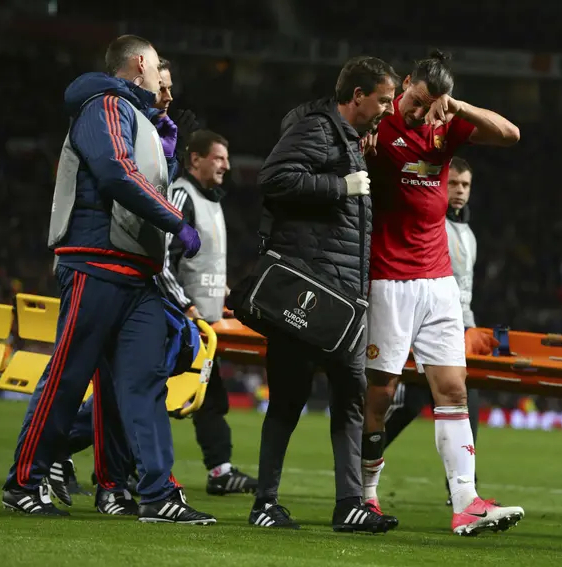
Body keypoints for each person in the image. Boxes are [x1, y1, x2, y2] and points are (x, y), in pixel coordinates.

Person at [1, 34, 214, 525]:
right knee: (68, 376)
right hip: (95, 260)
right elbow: (116, 172)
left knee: (144, 384)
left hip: (137, 272)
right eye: (157, 67)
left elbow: (138, 176)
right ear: (139, 63)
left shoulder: (137, 116)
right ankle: (24, 483)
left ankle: (157, 493)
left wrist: (166, 155)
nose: (162, 79)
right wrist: (175, 221)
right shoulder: (103, 105)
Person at [359, 51, 524, 536]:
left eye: (428, 103)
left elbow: (511, 135)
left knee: (453, 390)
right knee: (381, 394)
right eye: (414, 99)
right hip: (388, 279)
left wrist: (457, 108)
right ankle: (364, 495)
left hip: (439, 281)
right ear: (405, 83)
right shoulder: (379, 125)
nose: (418, 111)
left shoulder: (444, 125)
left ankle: (466, 502)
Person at [249, 55, 399, 533]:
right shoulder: (317, 129)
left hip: (344, 299)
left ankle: (349, 504)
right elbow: (273, 178)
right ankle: (265, 503)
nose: (387, 109)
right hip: (308, 292)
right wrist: (339, 186)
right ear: (357, 96)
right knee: (288, 400)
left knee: (351, 400)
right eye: (383, 100)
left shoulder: (349, 139)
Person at [381, 156, 494, 505]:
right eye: (453, 183)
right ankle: (362, 458)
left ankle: (462, 487)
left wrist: (471, 327)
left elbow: (465, 290)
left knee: (459, 401)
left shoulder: (468, 234)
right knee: (411, 404)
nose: (459, 191)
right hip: (428, 328)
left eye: (465, 185)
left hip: (457, 330)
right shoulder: (429, 227)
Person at [157, 129, 258, 494]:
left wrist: (224, 296)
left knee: (208, 396)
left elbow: (202, 264)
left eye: (226, 159)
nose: (226, 166)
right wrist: (184, 305)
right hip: (176, 322)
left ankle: (220, 470)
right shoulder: (182, 195)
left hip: (202, 326)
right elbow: (161, 260)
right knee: (148, 396)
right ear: (195, 159)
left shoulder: (210, 200)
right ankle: (67, 453)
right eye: (218, 158)